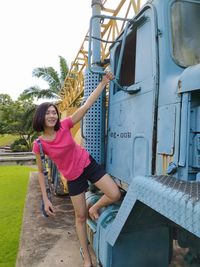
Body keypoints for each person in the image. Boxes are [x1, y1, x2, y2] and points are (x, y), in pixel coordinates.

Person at [32, 71, 121, 267]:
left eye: (54, 111)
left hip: (87, 164)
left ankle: (95, 207)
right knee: (80, 217)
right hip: (73, 177)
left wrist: (104, 82)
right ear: (41, 117)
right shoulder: (39, 144)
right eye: (48, 112)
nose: (52, 115)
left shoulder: (65, 125)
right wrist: (46, 199)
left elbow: (86, 105)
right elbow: (40, 172)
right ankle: (87, 259)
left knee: (114, 194)